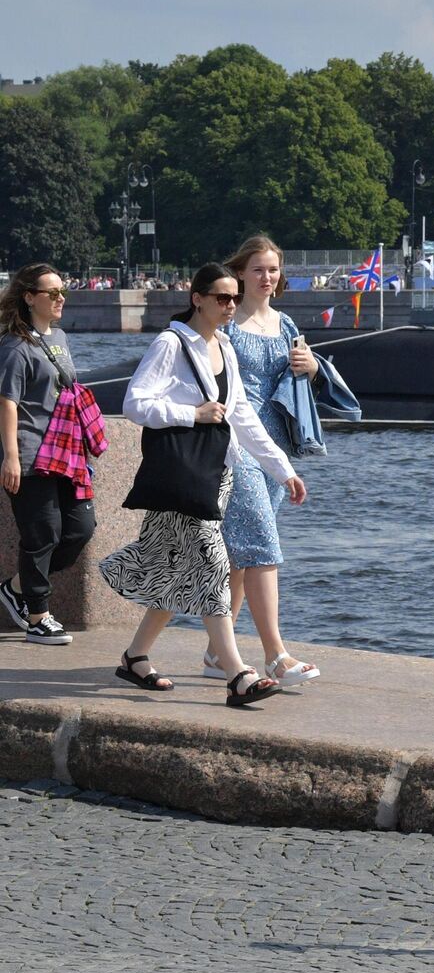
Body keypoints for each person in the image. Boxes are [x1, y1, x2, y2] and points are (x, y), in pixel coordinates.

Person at [99, 264, 308, 707]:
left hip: (216, 474)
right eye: (221, 298)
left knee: (176, 570)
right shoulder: (171, 344)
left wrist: (282, 469)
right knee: (213, 565)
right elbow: (135, 403)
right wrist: (190, 414)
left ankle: (135, 656)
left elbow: (242, 416)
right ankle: (236, 673)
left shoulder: (226, 348)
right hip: (183, 477)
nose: (231, 306)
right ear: (197, 298)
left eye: (234, 298)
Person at [211, 235, 322, 685]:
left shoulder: (286, 322)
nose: (266, 277)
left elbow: (301, 382)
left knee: (242, 554)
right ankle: (276, 654)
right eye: (257, 269)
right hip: (236, 447)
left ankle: (219, 654)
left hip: (275, 447)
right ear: (240, 273)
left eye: (273, 269)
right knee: (262, 546)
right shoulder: (227, 322)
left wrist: (311, 367)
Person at [0, 264, 94, 644]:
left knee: (79, 530)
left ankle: (16, 587)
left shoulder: (60, 337)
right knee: (42, 534)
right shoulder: (13, 346)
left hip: (66, 453)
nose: (60, 299)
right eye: (51, 293)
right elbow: (6, 402)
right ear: (28, 297)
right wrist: (10, 457)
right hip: (30, 453)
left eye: (62, 292)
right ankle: (38, 616)